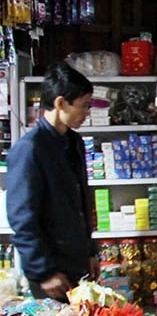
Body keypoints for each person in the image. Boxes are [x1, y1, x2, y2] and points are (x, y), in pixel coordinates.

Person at [7, 62, 100, 301]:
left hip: (78, 262)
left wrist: (90, 252)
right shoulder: (29, 149)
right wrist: (44, 272)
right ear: (60, 103)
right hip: (52, 272)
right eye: (84, 105)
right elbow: (22, 219)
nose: (87, 112)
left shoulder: (74, 143)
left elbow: (80, 203)